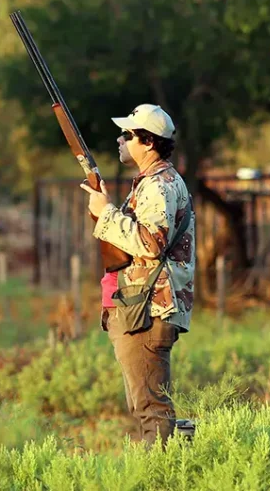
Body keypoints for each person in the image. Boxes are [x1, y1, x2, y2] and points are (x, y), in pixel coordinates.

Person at [79, 103, 196, 447]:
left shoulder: (159, 186)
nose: (119, 139)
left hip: (148, 311)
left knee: (152, 410)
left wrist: (107, 213)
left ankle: (162, 476)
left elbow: (150, 243)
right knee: (148, 405)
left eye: (126, 135)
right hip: (143, 307)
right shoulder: (154, 182)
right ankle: (184, 462)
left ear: (148, 142)